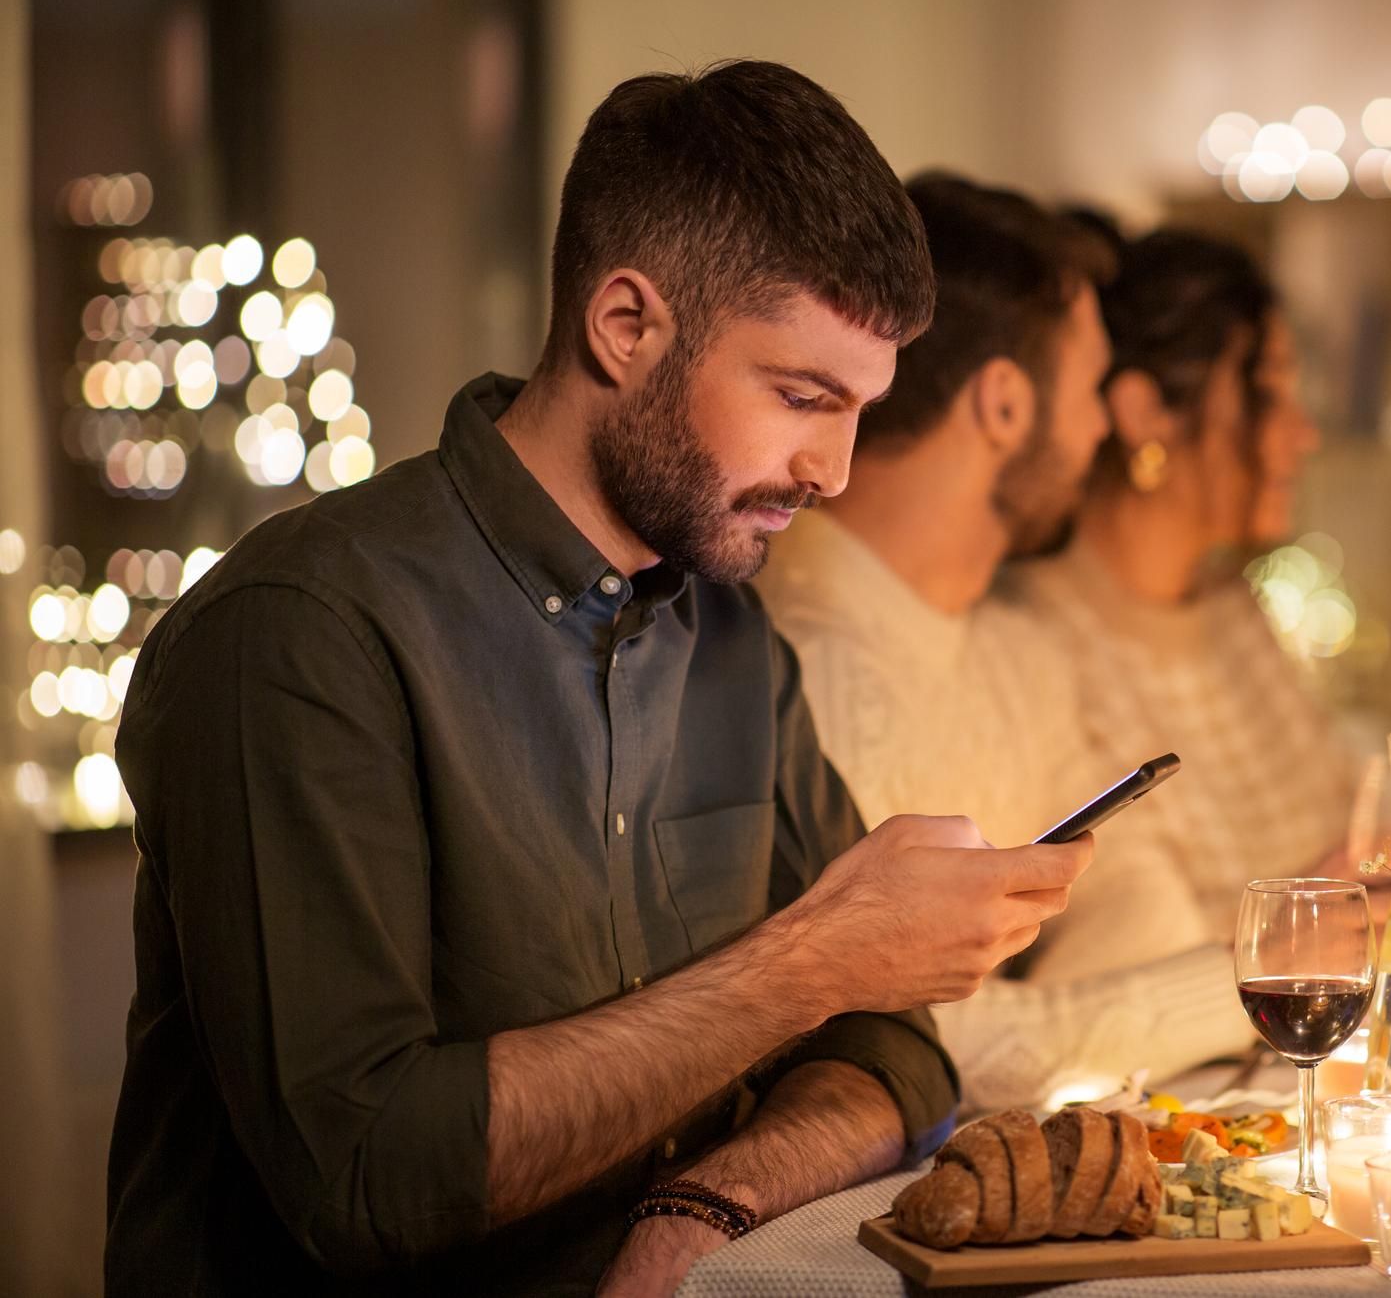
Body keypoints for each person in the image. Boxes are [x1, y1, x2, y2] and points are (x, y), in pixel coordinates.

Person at [105, 63, 1092, 1298]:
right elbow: (366, 1176)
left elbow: (892, 1050)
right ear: (626, 327)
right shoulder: (299, 634)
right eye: (801, 396)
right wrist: (814, 957)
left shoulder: (732, 638)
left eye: (860, 411)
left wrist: (704, 1205)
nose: (834, 470)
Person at [757, 174, 1251, 1111]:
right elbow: (919, 1042)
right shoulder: (802, 663)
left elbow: (1132, 891)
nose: (1105, 425)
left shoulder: (1013, 643)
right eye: (1093, 388)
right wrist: (1241, 983)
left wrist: (1070, 1019)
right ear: (1005, 405)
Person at [1000, 227, 1361, 942]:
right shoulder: (1036, 639)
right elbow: (1116, 946)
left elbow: (1345, 826)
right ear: (1144, 412)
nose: (1302, 432)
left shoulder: (1233, 608)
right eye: (1267, 391)